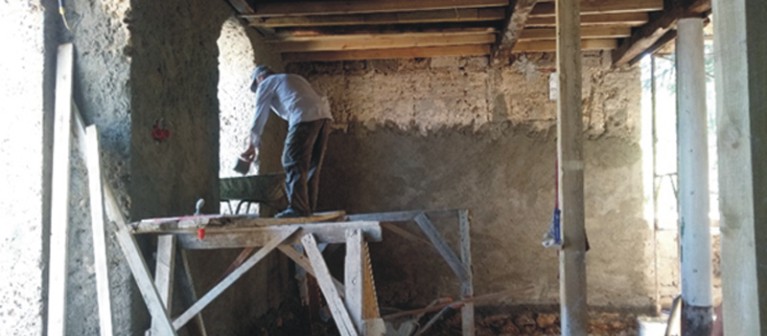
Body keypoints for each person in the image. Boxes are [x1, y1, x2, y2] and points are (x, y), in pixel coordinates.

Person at [240, 65, 333, 218]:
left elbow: (259, 116)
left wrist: (251, 146)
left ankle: (297, 209)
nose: (258, 90)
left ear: (259, 78)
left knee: (291, 161)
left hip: (304, 118)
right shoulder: (293, 78)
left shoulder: (265, 83)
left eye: (256, 87)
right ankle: (308, 209)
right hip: (324, 119)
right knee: (311, 167)